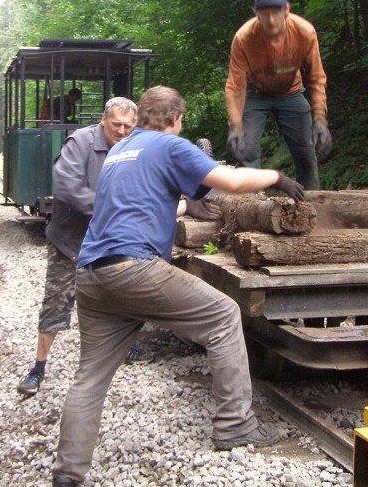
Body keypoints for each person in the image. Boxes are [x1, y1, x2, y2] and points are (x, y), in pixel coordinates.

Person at [51, 86, 305, 487]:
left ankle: (67, 474)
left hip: (92, 275)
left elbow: (157, 203)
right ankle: (235, 425)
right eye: (181, 120)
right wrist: (278, 176)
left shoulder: (121, 152)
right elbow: (231, 181)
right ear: (174, 119)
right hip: (133, 269)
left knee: (90, 377)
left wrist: (184, 205)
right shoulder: (170, 144)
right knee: (223, 315)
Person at [17, 96, 152, 398]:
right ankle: (38, 368)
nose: (121, 131)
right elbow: (66, 187)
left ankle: (122, 347)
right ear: (104, 120)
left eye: (128, 126)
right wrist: (111, 207)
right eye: (116, 124)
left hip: (108, 238)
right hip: (71, 240)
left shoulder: (133, 146)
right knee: (57, 299)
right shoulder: (80, 142)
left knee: (118, 293)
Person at [224, 0, 332, 190]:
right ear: (256, 13)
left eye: (276, 12)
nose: (271, 20)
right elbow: (235, 86)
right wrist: (235, 127)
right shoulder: (244, 37)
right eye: (265, 14)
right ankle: (249, 209)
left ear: (287, 10)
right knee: (246, 152)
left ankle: (309, 209)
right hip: (255, 94)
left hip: (290, 92)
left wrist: (320, 120)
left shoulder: (304, 32)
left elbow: (317, 78)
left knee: (306, 154)